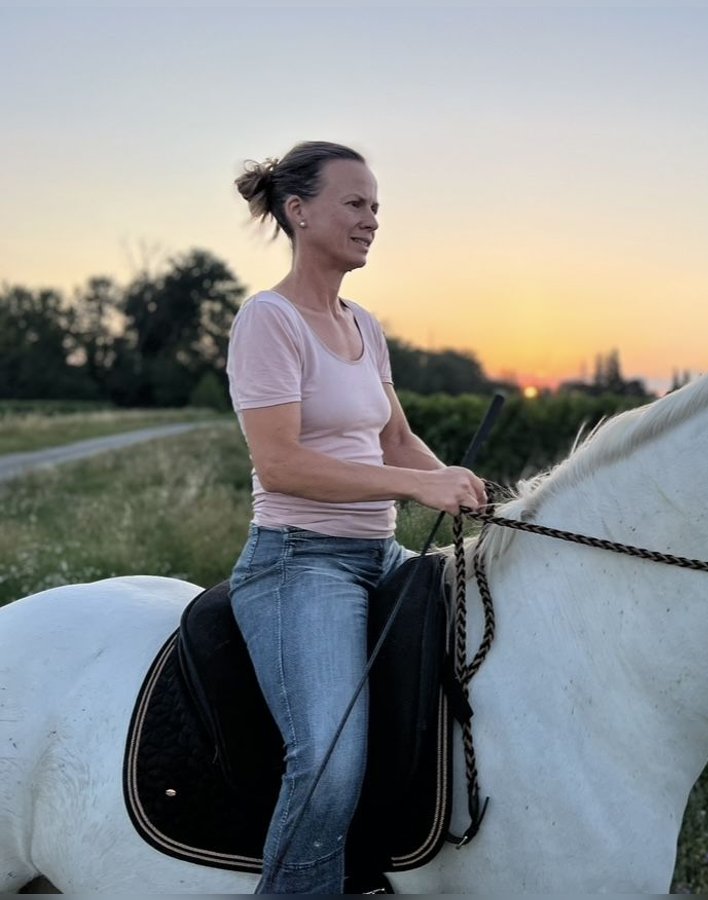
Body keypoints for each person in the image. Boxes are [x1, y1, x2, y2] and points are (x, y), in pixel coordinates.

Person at [227, 140, 487, 894]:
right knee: (329, 761)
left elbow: (398, 440)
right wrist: (412, 487)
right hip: (299, 562)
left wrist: (457, 483)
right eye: (355, 203)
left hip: (384, 557)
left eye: (376, 207)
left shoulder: (363, 324)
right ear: (298, 210)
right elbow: (281, 463)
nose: (372, 219)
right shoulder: (268, 322)